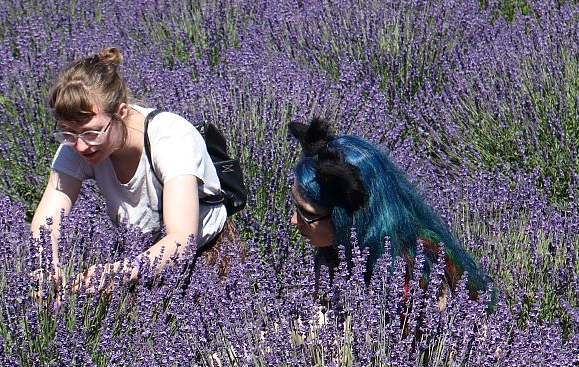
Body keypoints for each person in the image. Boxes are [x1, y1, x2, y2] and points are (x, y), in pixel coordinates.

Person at [30, 47, 239, 293]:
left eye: (92, 132)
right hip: (138, 258)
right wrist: (46, 268)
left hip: (204, 258)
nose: (81, 145)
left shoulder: (170, 137)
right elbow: (47, 222)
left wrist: (120, 272)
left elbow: (182, 240)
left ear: (121, 113)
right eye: (68, 133)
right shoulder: (76, 143)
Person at [286, 117, 492, 305]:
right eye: (296, 208)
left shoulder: (421, 273)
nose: (294, 220)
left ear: (347, 218)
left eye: (307, 214)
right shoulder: (332, 254)